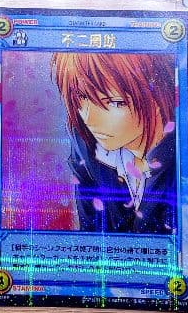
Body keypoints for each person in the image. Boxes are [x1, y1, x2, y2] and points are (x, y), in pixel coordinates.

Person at [52, 52, 176, 234]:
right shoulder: (86, 146)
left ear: (159, 95)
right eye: (81, 97)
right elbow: (91, 235)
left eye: (115, 103)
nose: (90, 120)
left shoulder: (185, 156)